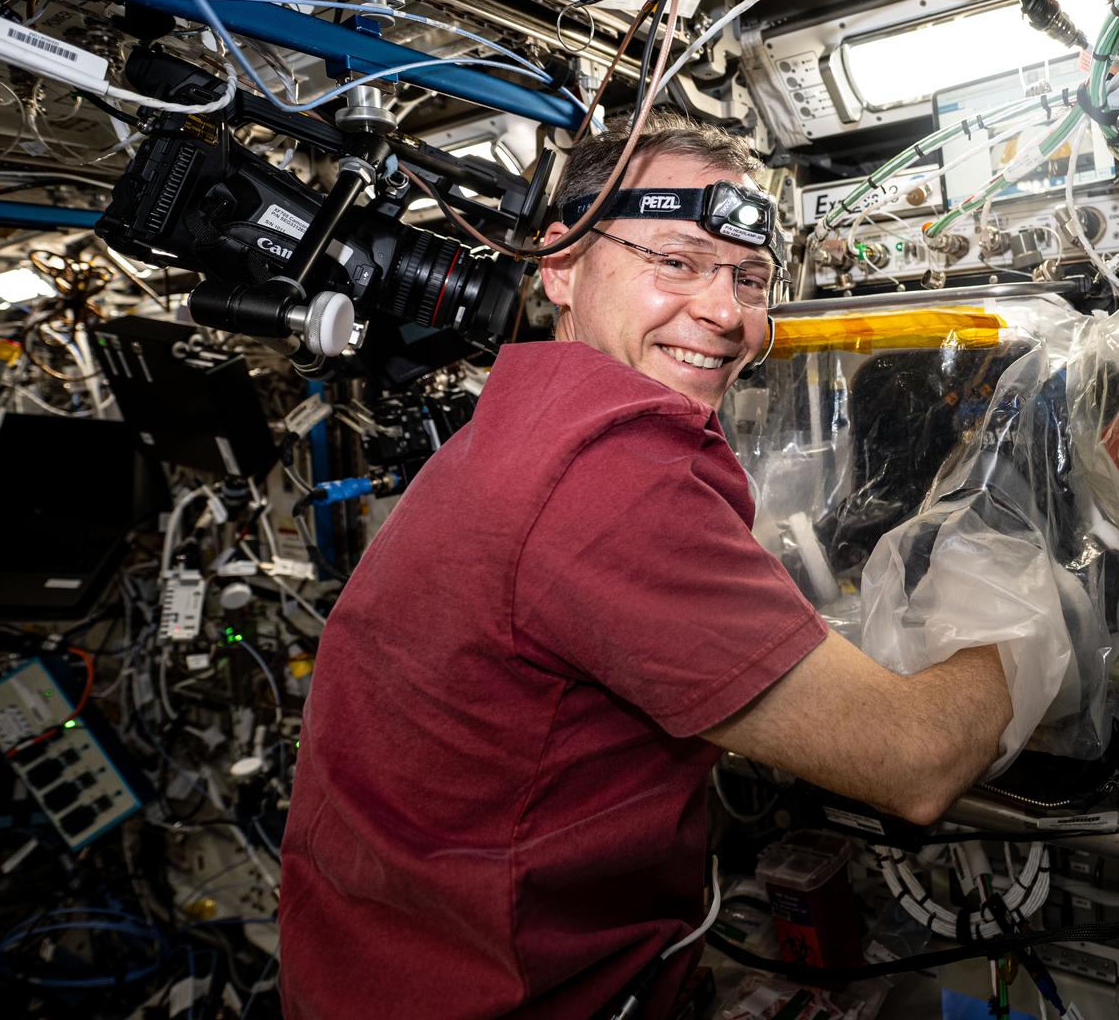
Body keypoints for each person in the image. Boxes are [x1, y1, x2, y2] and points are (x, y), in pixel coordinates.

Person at [280, 114, 1015, 1019]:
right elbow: (916, 761)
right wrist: (1026, 622)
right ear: (560, 265)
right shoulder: (610, 479)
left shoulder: (521, 430)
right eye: (676, 261)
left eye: (750, 279)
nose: (725, 313)